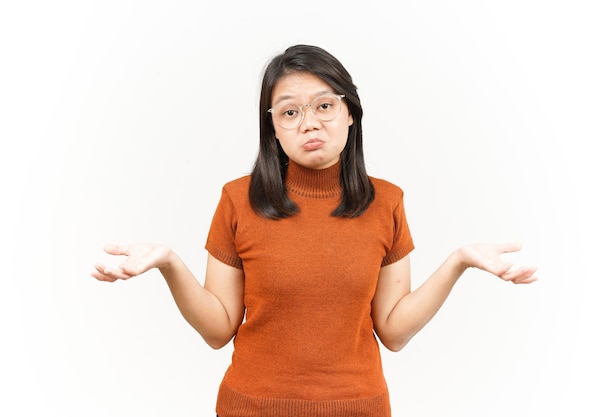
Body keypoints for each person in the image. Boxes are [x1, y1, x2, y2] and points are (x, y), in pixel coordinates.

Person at [91, 44, 538, 417]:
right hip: (250, 408)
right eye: (289, 112)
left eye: (324, 105)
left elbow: (395, 332)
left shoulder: (387, 202)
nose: (309, 122)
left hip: (359, 408)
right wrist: (169, 263)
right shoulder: (237, 199)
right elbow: (217, 329)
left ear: (350, 114)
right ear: (274, 128)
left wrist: (458, 261)